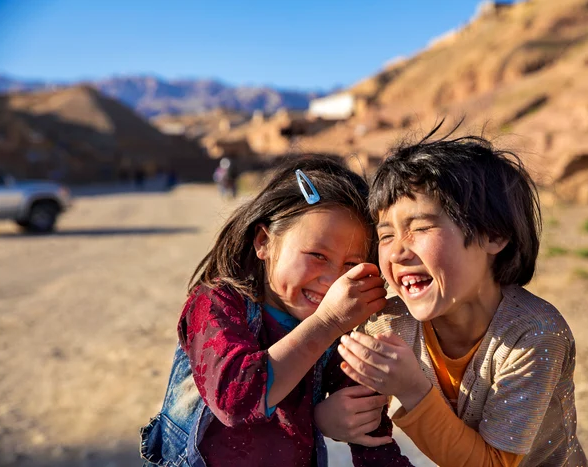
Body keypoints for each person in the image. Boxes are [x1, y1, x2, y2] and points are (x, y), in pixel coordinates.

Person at [332, 122, 587, 466]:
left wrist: (412, 390)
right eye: (386, 235)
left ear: (493, 235)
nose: (397, 253)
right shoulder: (389, 325)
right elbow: (341, 396)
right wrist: (330, 418)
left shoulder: (532, 335)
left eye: (420, 228)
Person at [140, 156, 413, 467]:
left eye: (350, 265)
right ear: (263, 242)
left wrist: (337, 418)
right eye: (317, 255)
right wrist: (328, 322)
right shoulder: (217, 303)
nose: (333, 281)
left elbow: (373, 438)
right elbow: (236, 399)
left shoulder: (343, 331)